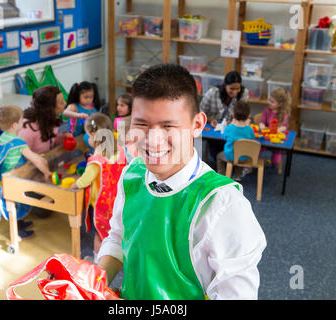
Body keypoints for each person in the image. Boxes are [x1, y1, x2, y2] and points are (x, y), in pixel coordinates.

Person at [97, 63, 266, 300]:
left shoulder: (223, 204)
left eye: (168, 126)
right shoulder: (131, 175)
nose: (153, 140)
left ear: (197, 124)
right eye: (142, 124)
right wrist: (89, 283)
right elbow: (117, 237)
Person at [70, 113, 127, 264]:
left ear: (94, 134)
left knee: (100, 235)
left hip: (103, 205)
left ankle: (97, 262)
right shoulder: (121, 151)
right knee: (117, 232)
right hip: (119, 200)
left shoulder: (97, 160)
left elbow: (85, 180)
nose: (87, 138)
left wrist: (75, 184)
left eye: (87, 134)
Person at [0, 105, 52, 239]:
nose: (23, 122)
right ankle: (16, 229)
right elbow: (36, 159)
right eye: (21, 120)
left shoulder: (3, 137)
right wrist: (47, 172)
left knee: (17, 203)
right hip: (14, 178)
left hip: (5, 176)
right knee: (16, 203)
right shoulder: (18, 143)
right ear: (14, 125)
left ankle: (19, 222)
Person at [199, 71, 249, 168]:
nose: (235, 92)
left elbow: (242, 113)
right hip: (214, 130)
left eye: (238, 88)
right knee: (217, 152)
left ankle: (230, 165)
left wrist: (235, 121)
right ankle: (224, 165)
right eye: (231, 89)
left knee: (233, 147)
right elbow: (200, 112)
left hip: (232, 129)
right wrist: (210, 120)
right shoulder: (213, 93)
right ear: (225, 85)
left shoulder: (243, 93)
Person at [18, 85, 72, 154]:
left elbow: (49, 142)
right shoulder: (27, 129)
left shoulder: (51, 118)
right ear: (49, 108)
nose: (65, 104)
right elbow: (18, 156)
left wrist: (62, 138)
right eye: (61, 102)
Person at [219, 101, 256, 181]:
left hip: (230, 156)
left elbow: (224, 137)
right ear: (248, 116)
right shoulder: (250, 129)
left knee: (219, 156)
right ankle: (237, 175)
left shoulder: (230, 128)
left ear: (233, 115)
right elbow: (252, 140)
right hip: (244, 156)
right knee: (240, 154)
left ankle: (221, 174)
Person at [259, 88, 291, 167]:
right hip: (265, 138)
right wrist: (262, 126)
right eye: (269, 100)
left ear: (280, 104)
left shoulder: (284, 113)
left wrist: (278, 130)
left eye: (272, 102)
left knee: (276, 161)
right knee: (255, 150)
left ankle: (274, 163)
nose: (269, 102)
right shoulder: (267, 110)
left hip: (276, 141)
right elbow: (262, 122)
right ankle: (248, 165)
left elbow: (284, 127)